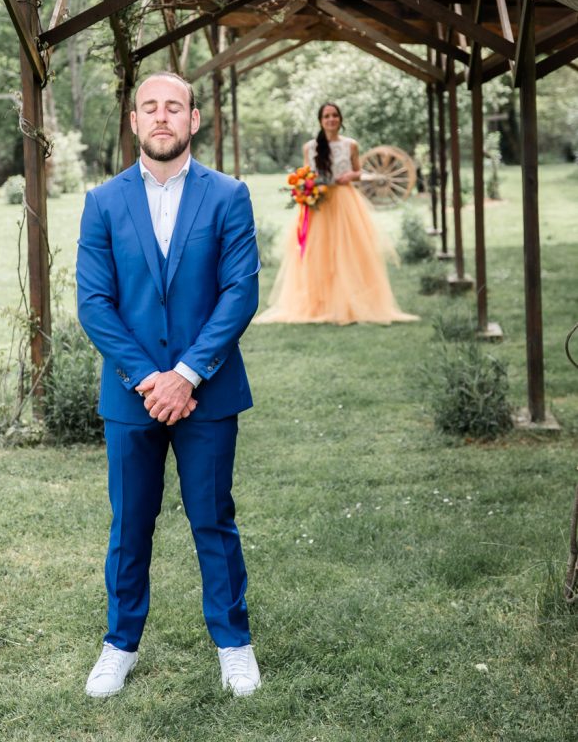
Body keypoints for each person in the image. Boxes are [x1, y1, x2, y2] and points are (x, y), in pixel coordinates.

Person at [76, 71, 261, 699]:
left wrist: (185, 375)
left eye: (173, 108)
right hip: (131, 395)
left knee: (213, 520)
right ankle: (119, 646)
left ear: (194, 119)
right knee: (130, 524)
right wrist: (150, 379)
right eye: (150, 108)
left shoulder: (229, 195)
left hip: (207, 392)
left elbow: (240, 294)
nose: (162, 117)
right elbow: (95, 303)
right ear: (133, 121)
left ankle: (234, 646)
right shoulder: (102, 201)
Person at [256, 102, 417, 325]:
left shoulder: (350, 145)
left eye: (334, 115)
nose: (331, 119)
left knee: (348, 251)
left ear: (340, 119)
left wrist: (351, 176)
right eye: (326, 116)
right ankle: (319, 303)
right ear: (321, 121)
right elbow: (305, 174)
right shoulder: (310, 147)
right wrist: (305, 189)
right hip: (319, 204)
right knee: (318, 253)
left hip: (344, 202)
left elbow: (359, 172)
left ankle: (350, 302)